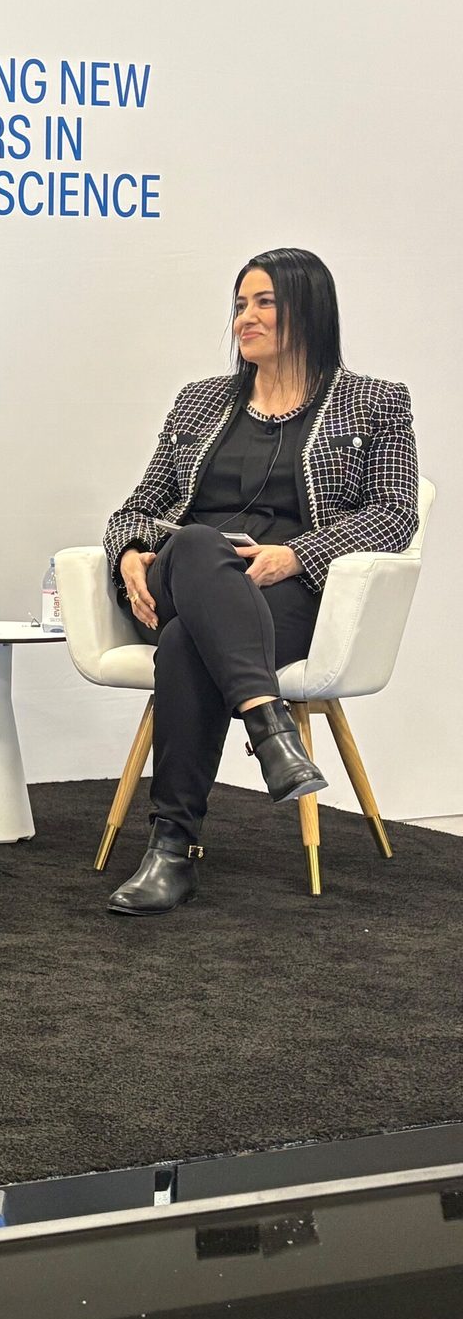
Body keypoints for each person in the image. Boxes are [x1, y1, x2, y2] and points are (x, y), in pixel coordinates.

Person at [101, 247, 419, 915]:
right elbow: (137, 507)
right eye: (240, 304)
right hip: (175, 578)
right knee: (193, 542)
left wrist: (296, 555)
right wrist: (129, 552)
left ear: (308, 309)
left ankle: (172, 850)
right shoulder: (199, 402)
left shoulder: (375, 403)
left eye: (262, 302)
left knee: (190, 644)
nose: (244, 317)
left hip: (283, 595)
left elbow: (394, 515)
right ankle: (267, 726)